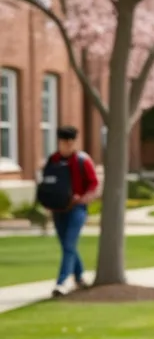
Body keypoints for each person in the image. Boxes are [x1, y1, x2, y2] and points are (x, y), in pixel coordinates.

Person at [38, 126, 99, 297]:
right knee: (67, 245)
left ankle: (62, 282)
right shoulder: (53, 160)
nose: (68, 145)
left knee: (69, 244)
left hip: (77, 209)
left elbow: (93, 183)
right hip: (58, 208)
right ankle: (79, 277)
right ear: (60, 142)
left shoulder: (82, 160)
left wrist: (84, 198)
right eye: (65, 142)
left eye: (71, 142)